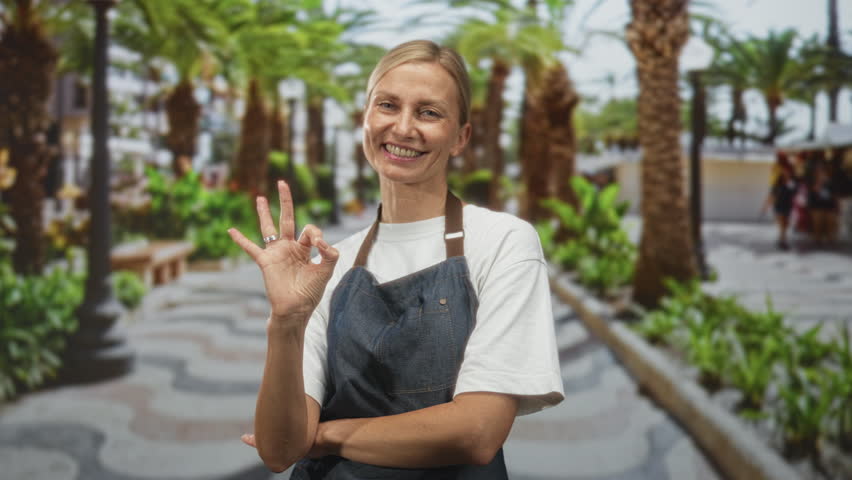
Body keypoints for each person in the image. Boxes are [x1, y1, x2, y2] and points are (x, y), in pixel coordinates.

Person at [227, 40, 564, 479]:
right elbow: (279, 450)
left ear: (460, 136)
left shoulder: (502, 242)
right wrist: (286, 321)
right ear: (365, 119)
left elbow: (476, 432)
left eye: (429, 112)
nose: (403, 128)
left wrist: (324, 436)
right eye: (387, 105)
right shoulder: (330, 264)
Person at [763, 165, 798, 250]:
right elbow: (771, 196)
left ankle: (781, 240)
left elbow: (794, 193)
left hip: (787, 207)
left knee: (785, 225)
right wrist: (765, 206)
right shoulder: (777, 185)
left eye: (788, 173)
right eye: (784, 173)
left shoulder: (791, 183)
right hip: (779, 207)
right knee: (782, 224)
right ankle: (783, 242)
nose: (786, 175)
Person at [808, 164, 839, 246]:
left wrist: (836, 205)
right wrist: (820, 183)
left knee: (830, 223)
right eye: (819, 171)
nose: (821, 173)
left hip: (829, 205)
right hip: (817, 205)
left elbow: (834, 194)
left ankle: (830, 239)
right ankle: (817, 240)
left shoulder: (830, 181)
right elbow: (812, 192)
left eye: (823, 171)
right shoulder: (813, 181)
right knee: (818, 223)